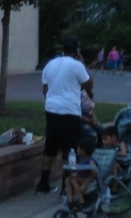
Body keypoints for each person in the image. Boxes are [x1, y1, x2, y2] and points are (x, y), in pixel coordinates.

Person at [36, 37, 94, 194]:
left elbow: (45, 89)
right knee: (70, 149)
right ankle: (65, 187)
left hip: (52, 109)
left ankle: (43, 184)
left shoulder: (50, 64)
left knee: (50, 147)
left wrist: (53, 102)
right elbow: (89, 84)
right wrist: (82, 64)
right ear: (77, 50)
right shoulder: (77, 65)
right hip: (70, 111)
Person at [63, 133, 100, 210]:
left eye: (78, 149)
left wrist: (83, 185)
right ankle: (70, 200)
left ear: (83, 151)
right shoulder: (81, 160)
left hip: (90, 181)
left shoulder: (90, 161)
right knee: (68, 179)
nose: (77, 151)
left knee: (73, 180)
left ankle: (81, 200)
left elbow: (94, 174)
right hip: (81, 179)